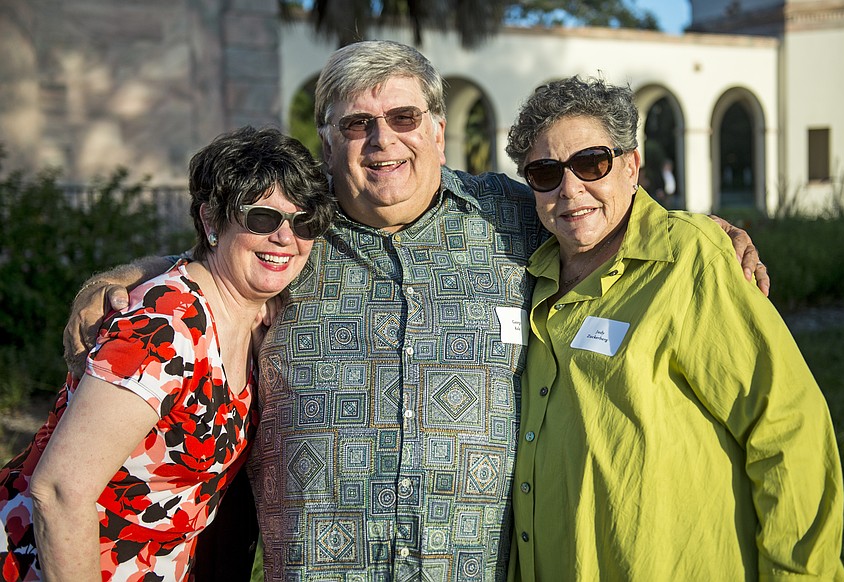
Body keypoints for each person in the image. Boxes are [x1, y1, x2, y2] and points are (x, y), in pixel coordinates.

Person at [62, 41, 769, 580]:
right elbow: (216, 262)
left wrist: (703, 231)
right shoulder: (294, 236)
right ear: (329, 139)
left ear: (437, 128)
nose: (383, 140)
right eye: (358, 124)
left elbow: (596, 208)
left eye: (403, 118)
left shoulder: (512, 219)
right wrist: (125, 275)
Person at [504, 76, 844, 580]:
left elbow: (786, 426)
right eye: (545, 172)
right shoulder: (530, 271)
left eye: (591, 163)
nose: (570, 188)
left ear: (632, 166)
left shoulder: (690, 259)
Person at [0, 126, 334, 580]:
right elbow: (60, 492)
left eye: (304, 223)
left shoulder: (253, 315)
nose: (285, 238)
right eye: (262, 219)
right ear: (212, 220)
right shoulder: (164, 329)